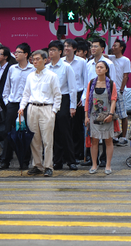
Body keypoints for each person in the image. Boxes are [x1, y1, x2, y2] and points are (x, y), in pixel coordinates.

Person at [20, 50, 62, 177]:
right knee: (34, 139)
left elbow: (57, 95)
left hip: (47, 108)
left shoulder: (52, 76)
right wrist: (22, 107)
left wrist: (54, 111)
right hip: (32, 108)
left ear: (45, 60)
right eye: (33, 59)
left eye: (38, 59)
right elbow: (26, 94)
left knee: (47, 140)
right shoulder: (30, 76)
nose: (35, 61)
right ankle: (37, 165)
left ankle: (48, 166)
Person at [0, 43, 36, 170]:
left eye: (19, 52)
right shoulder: (12, 68)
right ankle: (5, 160)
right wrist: (7, 102)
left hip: (27, 105)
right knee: (8, 132)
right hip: (13, 104)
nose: (16, 54)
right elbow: (7, 87)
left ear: (26, 54)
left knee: (25, 132)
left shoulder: (33, 69)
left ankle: (24, 161)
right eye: (15, 51)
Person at [45, 40, 78, 171]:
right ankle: (57, 161)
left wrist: (72, 106)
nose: (51, 52)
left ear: (60, 52)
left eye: (54, 50)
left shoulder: (66, 67)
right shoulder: (46, 68)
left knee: (65, 131)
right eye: (50, 50)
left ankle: (71, 160)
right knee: (53, 132)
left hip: (64, 99)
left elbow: (72, 88)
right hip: (50, 100)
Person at [82, 60, 116, 174]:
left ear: (106, 69)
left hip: (107, 116)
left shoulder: (111, 83)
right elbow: (87, 100)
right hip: (94, 116)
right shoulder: (91, 83)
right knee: (94, 141)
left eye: (101, 67)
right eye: (97, 67)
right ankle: (94, 165)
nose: (99, 69)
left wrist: (111, 114)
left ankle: (108, 165)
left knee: (108, 140)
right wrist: (86, 116)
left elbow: (113, 100)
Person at [64, 39, 87, 160]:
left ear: (74, 49)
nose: (66, 48)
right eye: (65, 46)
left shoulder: (82, 62)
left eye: (69, 46)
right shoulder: (61, 62)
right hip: (65, 94)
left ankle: (77, 153)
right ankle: (65, 153)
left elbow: (86, 80)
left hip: (78, 94)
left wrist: (83, 97)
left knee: (77, 126)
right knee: (64, 125)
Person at [110, 39, 131, 147]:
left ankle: (123, 137)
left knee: (123, 114)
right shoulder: (110, 58)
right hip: (110, 90)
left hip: (119, 90)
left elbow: (126, 76)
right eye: (113, 46)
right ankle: (114, 134)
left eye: (115, 46)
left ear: (121, 48)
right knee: (112, 114)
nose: (113, 47)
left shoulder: (126, 60)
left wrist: (121, 89)